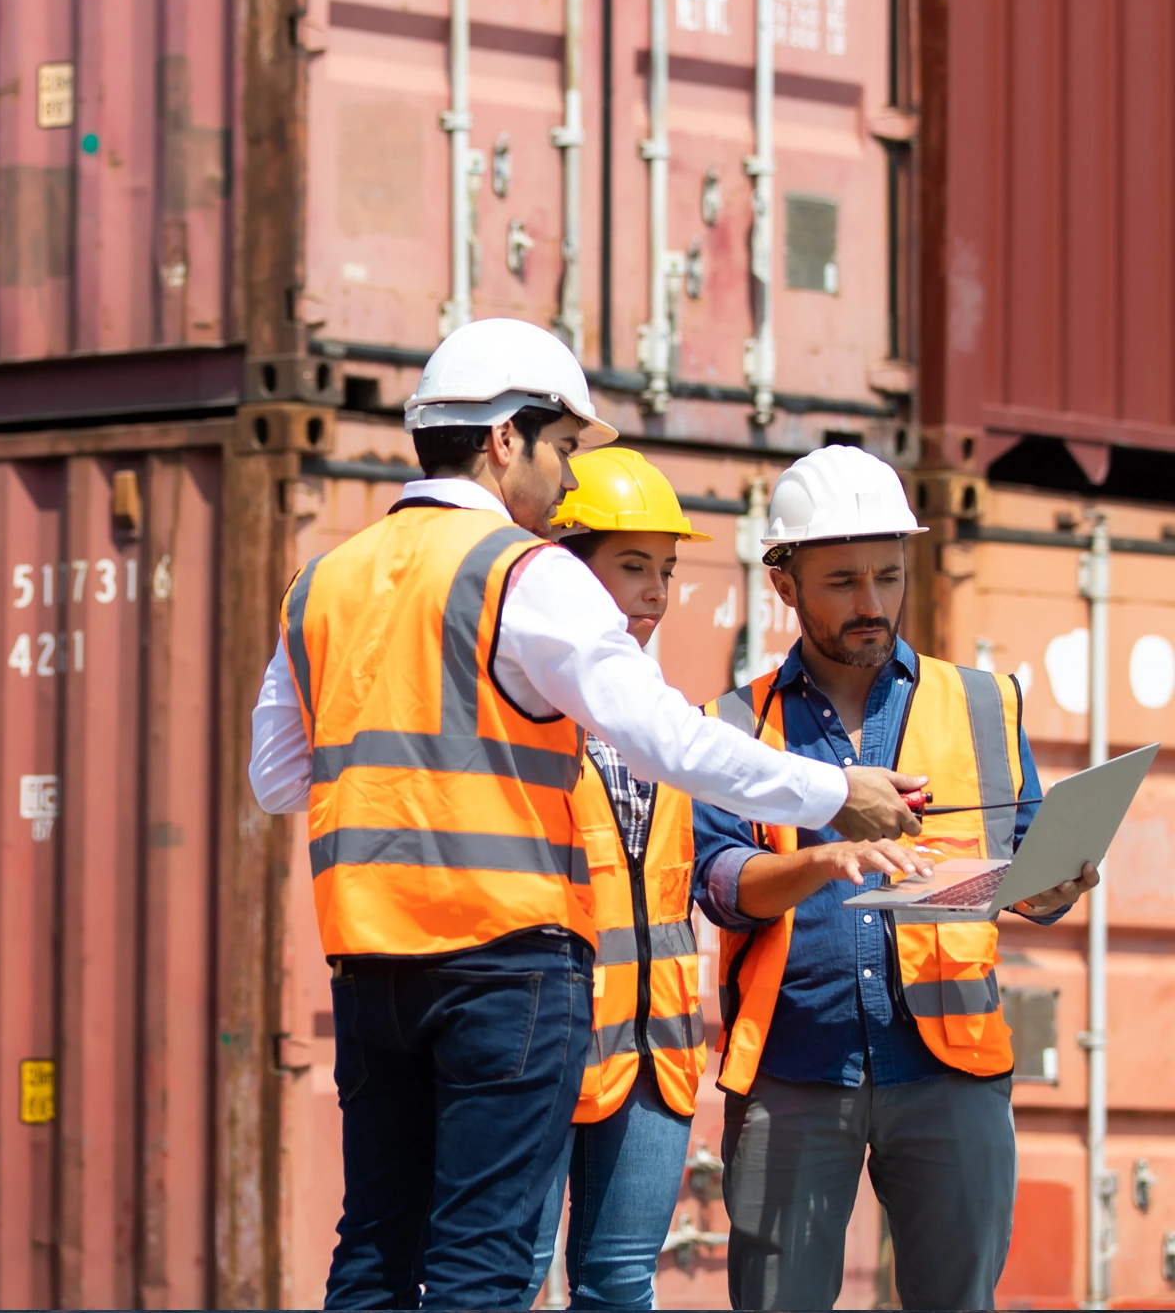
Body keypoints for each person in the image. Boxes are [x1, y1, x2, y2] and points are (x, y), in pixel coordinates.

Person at [246, 319, 927, 1310]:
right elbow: (659, 735)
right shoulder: (525, 574)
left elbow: (277, 778)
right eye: (562, 446)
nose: (566, 481)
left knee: (375, 1250)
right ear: (502, 439)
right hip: (504, 965)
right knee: (484, 1261)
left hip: (369, 969)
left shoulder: (322, 583)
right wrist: (835, 794)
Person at [692, 445, 1100, 1312]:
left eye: (887, 574)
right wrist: (823, 858)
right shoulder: (730, 724)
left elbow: (1023, 870)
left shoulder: (986, 703)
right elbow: (722, 884)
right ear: (785, 582)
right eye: (841, 582)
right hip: (795, 1068)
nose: (872, 604)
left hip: (951, 1068)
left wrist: (1057, 883)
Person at [524, 448, 712, 1311]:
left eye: (666, 571)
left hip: (655, 1057)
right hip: (545, 1048)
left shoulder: (668, 721)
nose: (656, 594)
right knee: (512, 1277)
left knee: (620, 1283)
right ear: (568, 571)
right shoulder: (524, 716)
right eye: (632, 567)